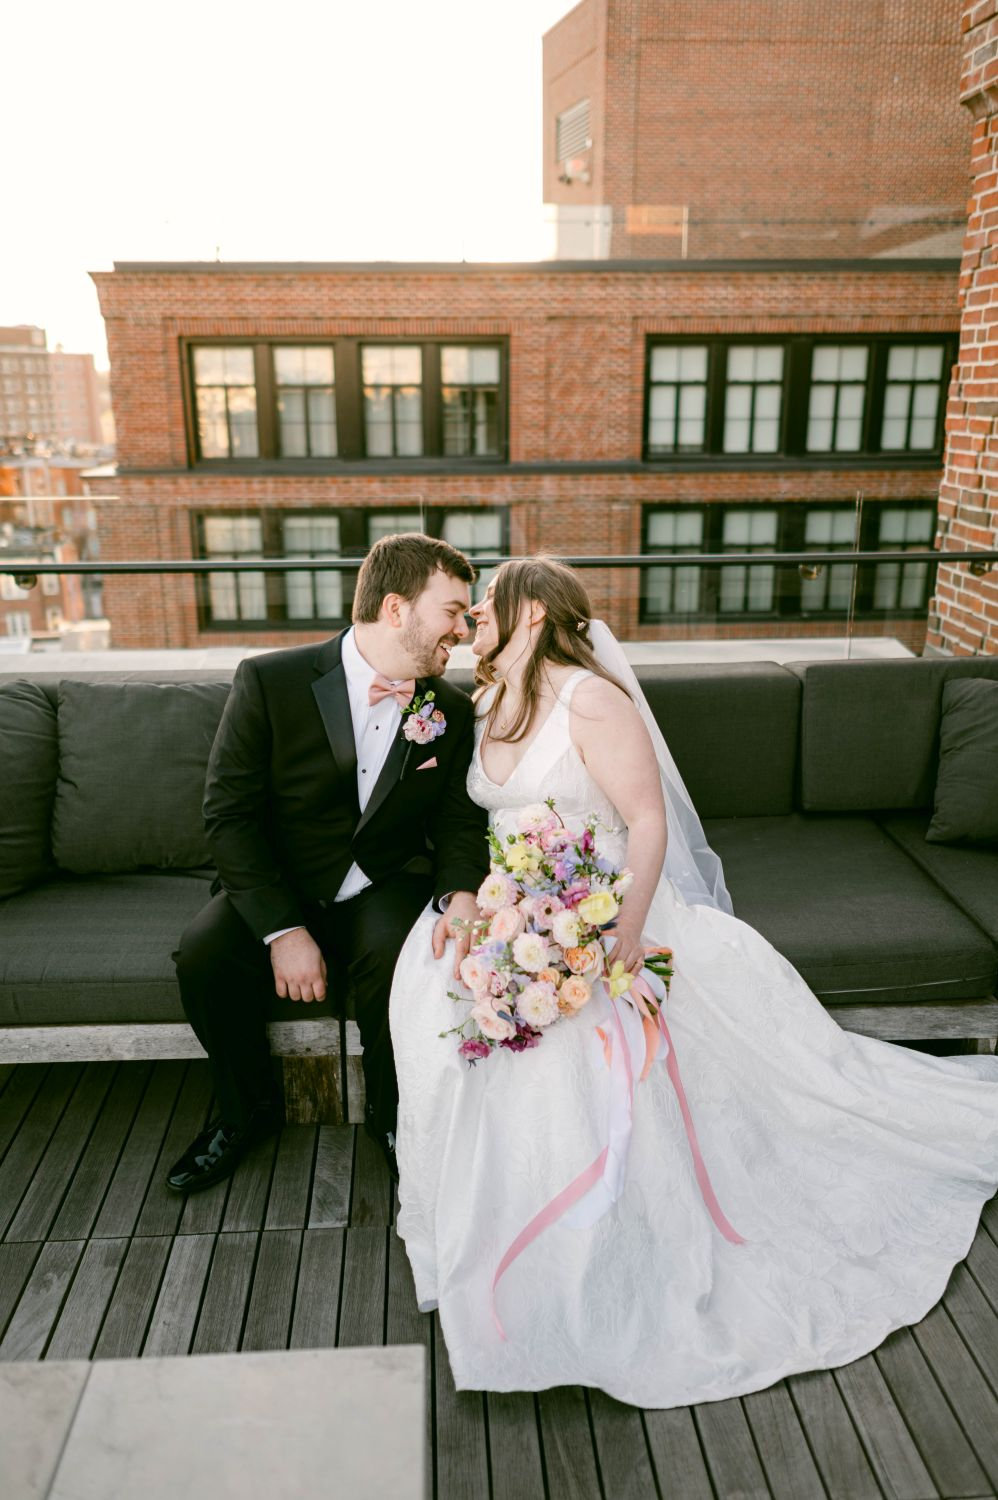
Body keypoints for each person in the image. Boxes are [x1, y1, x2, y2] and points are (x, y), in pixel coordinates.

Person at [388, 555, 998, 1409]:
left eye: (490, 600)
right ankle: (482, 1216)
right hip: (515, 907)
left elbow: (646, 821)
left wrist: (623, 935)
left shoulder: (592, 700)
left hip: (606, 907)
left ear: (533, 614)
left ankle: (600, 1246)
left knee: (586, 1052)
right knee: (431, 992)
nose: (476, 615)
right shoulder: (488, 701)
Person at [167, 533, 489, 1193]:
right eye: (453, 611)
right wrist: (283, 931)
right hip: (280, 881)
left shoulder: (449, 710)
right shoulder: (269, 681)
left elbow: (458, 822)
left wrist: (462, 894)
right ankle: (245, 1111)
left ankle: (393, 1122)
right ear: (396, 609)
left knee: (405, 963)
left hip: (384, 883)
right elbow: (229, 816)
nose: (465, 628)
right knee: (203, 956)